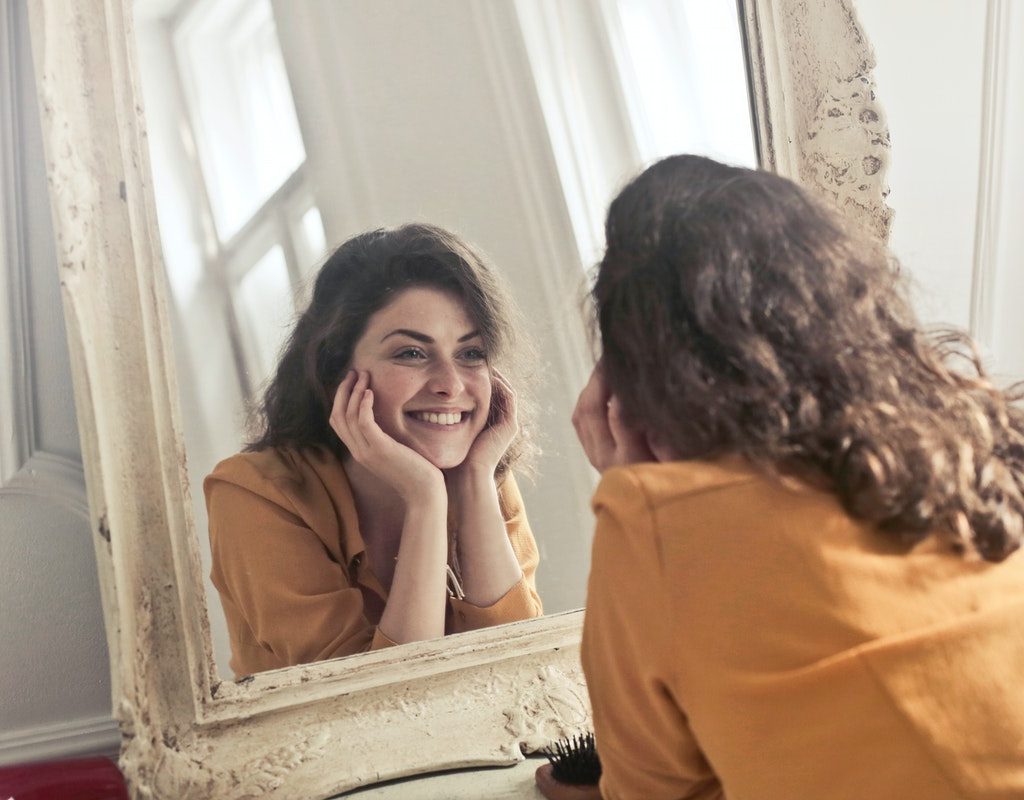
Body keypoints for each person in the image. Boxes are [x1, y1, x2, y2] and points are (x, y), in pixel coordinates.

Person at [572, 155, 1024, 799]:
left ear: (636, 388)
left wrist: (634, 489)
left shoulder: (659, 523)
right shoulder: (975, 438)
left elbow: (653, 794)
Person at [205, 223, 542, 678]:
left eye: (470, 353)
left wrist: (475, 485)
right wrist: (425, 499)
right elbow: (372, 703)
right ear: (335, 371)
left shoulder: (481, 474)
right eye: (410, 353)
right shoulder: (254, 494)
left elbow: (522, 673)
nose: (450, 384)